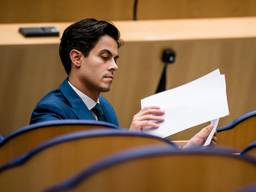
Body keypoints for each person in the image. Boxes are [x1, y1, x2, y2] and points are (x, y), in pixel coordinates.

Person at [30, 18, 213, 147]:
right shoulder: (51, 111)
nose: (114, 66)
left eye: (115, 59)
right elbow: (59, 171)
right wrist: (130, 139)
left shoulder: (106, 109)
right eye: (105, 57)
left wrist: (189, 150)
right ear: (77, 58)